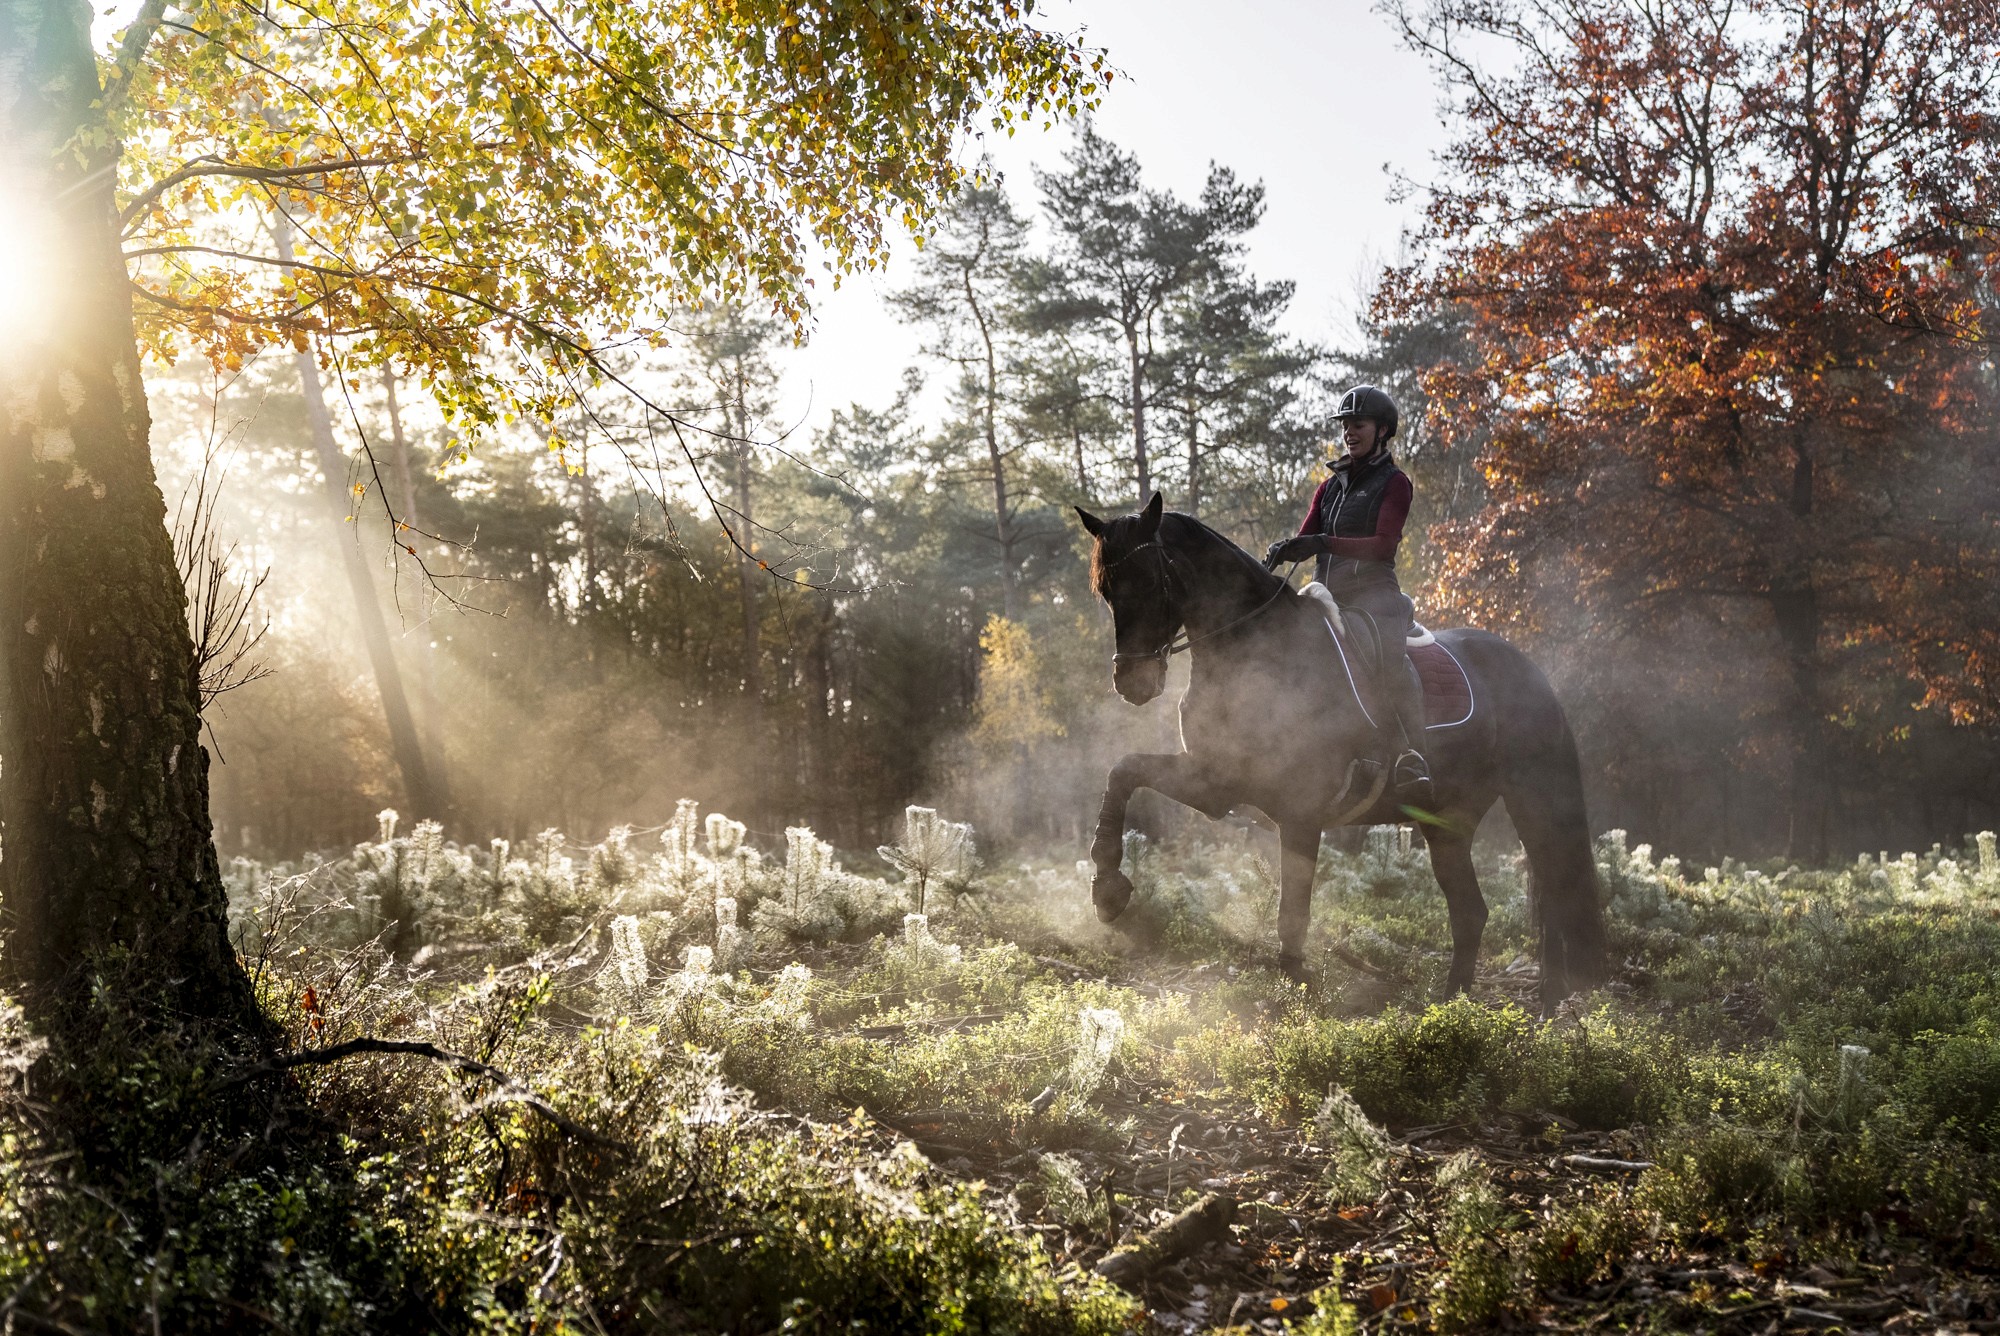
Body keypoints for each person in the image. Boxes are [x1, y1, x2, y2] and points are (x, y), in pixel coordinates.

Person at [1264, 385, 1434, 806]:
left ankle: (1408, 753)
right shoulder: (1328, 488)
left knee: (1374, 648)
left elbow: (1382, 546)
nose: (1349, 433)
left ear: (1382, 431)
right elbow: (1308, 538)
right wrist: (1284, 549)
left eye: (1358, 425)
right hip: (1327, 596)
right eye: (1345, 426)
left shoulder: (1396, 483)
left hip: (1375, 597)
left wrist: (1323, 541)